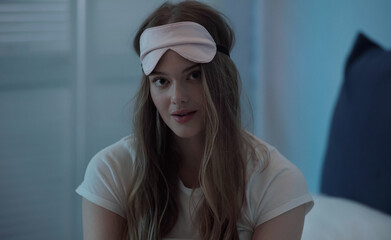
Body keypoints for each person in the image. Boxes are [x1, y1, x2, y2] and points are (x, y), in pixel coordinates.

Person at [76, 1, 314, 239]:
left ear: (221, 78)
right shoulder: (110, 172)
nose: (177, 97)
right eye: (162, 81)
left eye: (194, 75)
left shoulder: (276, 182)